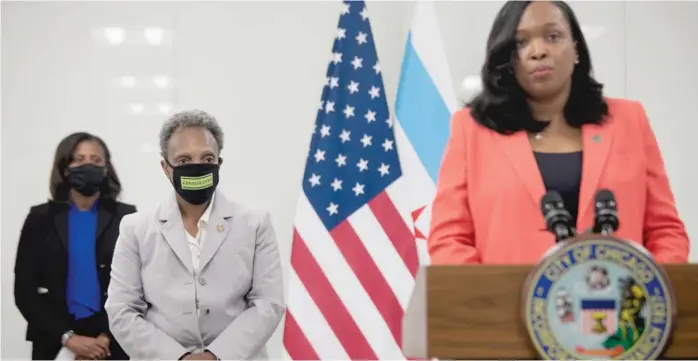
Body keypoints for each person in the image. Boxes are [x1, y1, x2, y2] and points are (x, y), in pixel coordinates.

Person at [428, 0, 689, 265]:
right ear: (506, 58)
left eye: (553, 37)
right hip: (507, 304)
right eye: (520, 43)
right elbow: (449, 239)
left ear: (576, 48)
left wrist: (648, 296)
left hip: (620, 301)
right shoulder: (471, 129)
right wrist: (490, 302)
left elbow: (665, 232)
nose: (538, 51)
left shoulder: (628, 121)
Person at [105, 109, 285, 360]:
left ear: (219, 163)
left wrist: (216, 355)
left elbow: (268, 303)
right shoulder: (135, 228)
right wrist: (180, 358)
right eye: (184, 161)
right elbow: (121, 310)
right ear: (165, 167)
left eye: (207, 157)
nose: (197, 167)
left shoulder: (255, 224)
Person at [14, 132, 136, 360]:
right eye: (78, 159)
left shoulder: (126, 217)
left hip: (111, 341)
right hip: (54, 341)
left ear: (106, 168)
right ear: (65, 167)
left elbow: (137, 287)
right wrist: (68, 338)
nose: (88, 164)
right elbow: (24, 290)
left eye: (96, 160)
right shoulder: (40, 218)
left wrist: (106, 337)